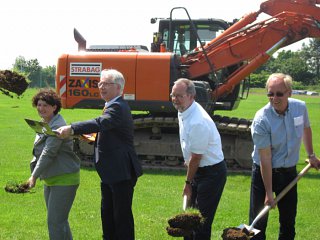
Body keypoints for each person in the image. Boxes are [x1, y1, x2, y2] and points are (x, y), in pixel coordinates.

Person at [56, 69, 143, 240]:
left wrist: (72, 128)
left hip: (121, 172)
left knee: (121, 218)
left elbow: (101, 122)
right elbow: (110, 131)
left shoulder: (117, 106)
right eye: (100, 83)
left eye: (106, 84)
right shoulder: (112, 105)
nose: (101, 87)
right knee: (108, 215)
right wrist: (93, 139)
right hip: (111, 172)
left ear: (118, 88)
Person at [249, 73, 320, 240]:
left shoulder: (300, 107)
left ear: (289, 92)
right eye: (270, 94)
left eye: (279, 94)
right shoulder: (261, 119)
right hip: (264, 173)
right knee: (258, 225)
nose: (274, 98)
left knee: (288, 223)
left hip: (289, 173)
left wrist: (311, 155)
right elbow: (265, 158)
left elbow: (306, 129)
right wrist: (268, 192)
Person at [171, 78, 227, 240]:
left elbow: (196, 158)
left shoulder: (198, 121)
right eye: (173, 95)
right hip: (200, 169)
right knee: (189, 218)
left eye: (179, 96)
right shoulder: (184, 110)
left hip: (211, 174)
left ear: (191, 96)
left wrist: (188, 183)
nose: (175, 99)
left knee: (201, 222)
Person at [27, 89, 80, 240]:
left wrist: (33, 176)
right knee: (60, 221)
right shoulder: (45, 123)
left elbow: (48, 153)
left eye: (45, 105)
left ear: (54, 107)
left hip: (64, 178)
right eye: (39, 105)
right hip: (51, 178)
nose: (41, 108)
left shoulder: (57, 126)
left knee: (55, 222)